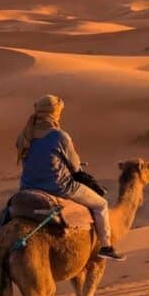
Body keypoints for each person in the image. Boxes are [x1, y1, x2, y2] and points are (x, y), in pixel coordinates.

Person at [17, 95, 124, 261]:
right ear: (55, 113)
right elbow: (75, 167)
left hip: (28, 187)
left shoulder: (24, 135)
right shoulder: (60, 136)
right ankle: (106, 246)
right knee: (101, 204)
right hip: (59, 187)